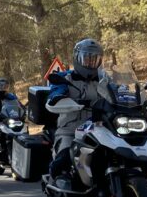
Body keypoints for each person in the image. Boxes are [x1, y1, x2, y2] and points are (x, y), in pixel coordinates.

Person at [46, 39, 119, 189]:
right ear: (77, 58)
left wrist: (136, 99)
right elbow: (55, 92)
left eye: (95, 58)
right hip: (71, 130)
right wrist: (59, 98)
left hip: (101, 130)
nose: (91, 62)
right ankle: (57, 190)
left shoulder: (106, 80)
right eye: (87, 57)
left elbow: (120, 93)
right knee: (64, 158)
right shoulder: (65, 78)